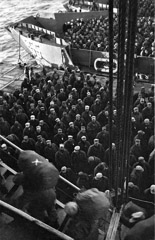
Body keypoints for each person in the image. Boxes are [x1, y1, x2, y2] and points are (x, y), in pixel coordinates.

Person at [13, 150, 59, 227]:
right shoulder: (40, 173)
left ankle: (42, 226)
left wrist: (21, 173)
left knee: (35, 210)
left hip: (39, 197)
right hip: (50, 194)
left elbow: (15, 180)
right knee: (51, 209)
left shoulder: (26, 176)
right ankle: (55, 223)